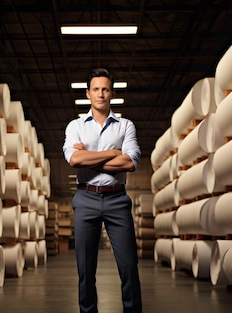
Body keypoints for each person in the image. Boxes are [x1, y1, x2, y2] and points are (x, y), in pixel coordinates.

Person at [62, 68, 142, 313]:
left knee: (128, 266)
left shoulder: (125, 125)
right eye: (96, 89)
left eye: (105, 89)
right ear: (88, 93)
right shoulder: (75, 126)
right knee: (86, 269)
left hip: (118, 198)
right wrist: (112, 153)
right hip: (85, 198)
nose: (100, 94)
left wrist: (89, 156)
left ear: (112, 93)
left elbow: (130, 162)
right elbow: (74, 160)